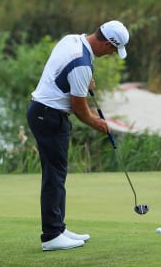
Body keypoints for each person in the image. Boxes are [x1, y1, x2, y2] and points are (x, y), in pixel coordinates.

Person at [26, 20, 130, 251]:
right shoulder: (82, 63)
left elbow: (62, 75)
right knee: (54, 176)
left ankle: (59, 228)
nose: (112, 55)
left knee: (57, 174)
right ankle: (52, 235)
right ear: (107, 44)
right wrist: (98, 123)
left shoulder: (72, 40)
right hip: (49, 116)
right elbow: (79, 108)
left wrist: (83, 82)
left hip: (43, 112)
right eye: (114, 50)